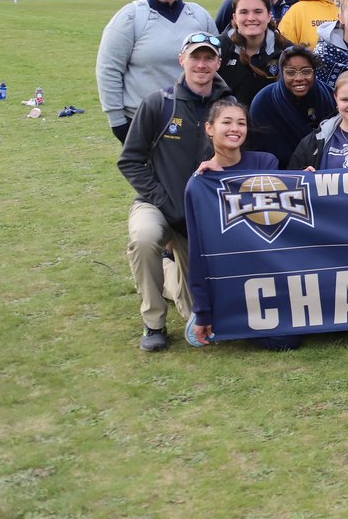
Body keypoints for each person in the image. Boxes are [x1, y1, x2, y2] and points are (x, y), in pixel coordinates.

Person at [117, 34, 232, 351]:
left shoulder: (229, 106)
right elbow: (130, 161)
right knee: (143, 238)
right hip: (158, 205)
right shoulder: (158, 104)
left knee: (196, 314)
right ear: (182, 60)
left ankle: (170, 274)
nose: (202, 64)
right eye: (196, 57)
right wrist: (165, 203)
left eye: (209, 58)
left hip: (202, 215)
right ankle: (153, 323)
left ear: (218, 63)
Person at [184, 99, 297, 351]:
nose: (235, 128)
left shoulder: (265, 163)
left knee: (286, 340)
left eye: (241, 123)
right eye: (226, 122)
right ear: (209, 128)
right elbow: (198, 252)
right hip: (231, 271)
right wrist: (203, 312)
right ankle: (201, 311)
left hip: (269, 267)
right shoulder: (201, 184)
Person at [96, 0, 217, 142]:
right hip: (145, 123)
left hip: (195, 120)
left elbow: (217, 65)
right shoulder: (131, 16)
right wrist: (117, 121)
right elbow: (109, 70)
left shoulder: (199, 15)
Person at [249, 46, 336, 165]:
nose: (299, 78)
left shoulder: (329, 96)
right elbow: (256, 150)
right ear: (281, 73)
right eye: (290, 72)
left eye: (306, 71)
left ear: (314, 72)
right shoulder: (264, 101)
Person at [218, 0, 293, 106]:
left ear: (269, 16)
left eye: (258, 12)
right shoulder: (218, 49)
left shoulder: (286, 50)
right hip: (231, 122)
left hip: (270, 122)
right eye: (243, 12)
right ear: (234, 18)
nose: (251, 18)